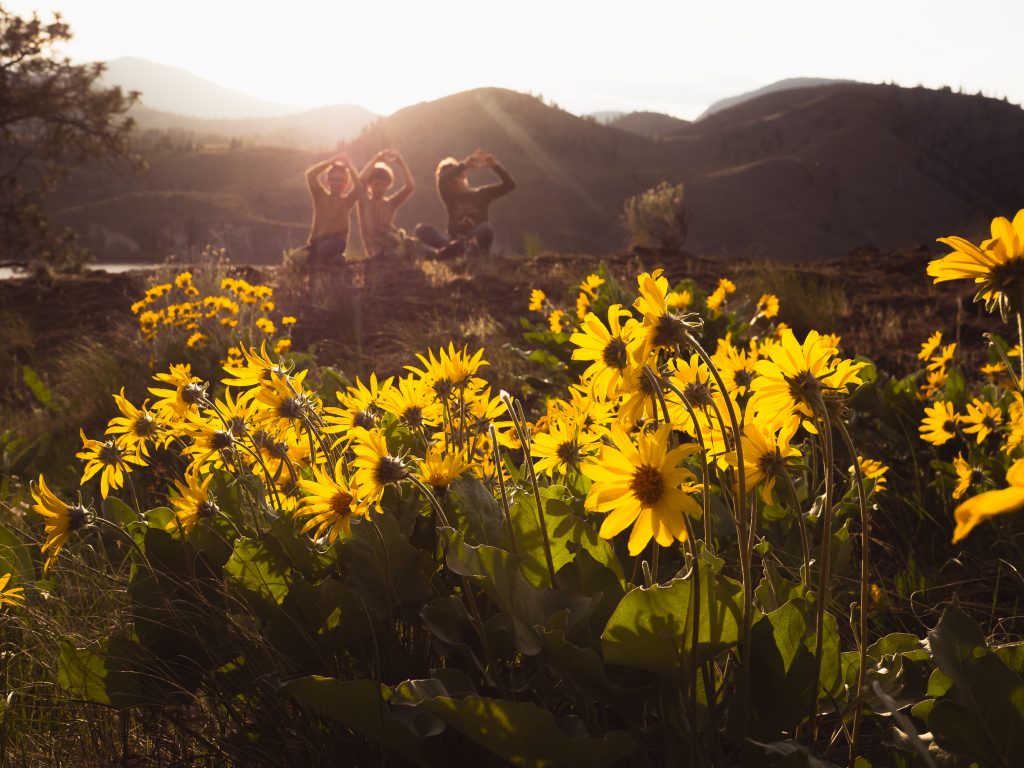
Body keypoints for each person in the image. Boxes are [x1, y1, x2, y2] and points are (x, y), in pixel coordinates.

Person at [414, 149, 516, 257]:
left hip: (471, 239)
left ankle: (450, 251)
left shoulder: (482, 194)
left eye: (454, 182)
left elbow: (510, 185)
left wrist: (495, 166)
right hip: (451, 240)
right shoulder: (450, 198)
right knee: (421, 229)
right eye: (448, 185)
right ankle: (448, 251)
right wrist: (464, 165)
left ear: (463, 176)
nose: (451, 187)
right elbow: (442, 181)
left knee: (486, 228)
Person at [304, 154, 361, 267]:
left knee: (322, 251)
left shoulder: (347, 201)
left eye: (341, 180)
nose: (337, 183)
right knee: (299, 257)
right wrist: (329, 162)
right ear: (328, 181)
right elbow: (310, 175)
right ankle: (335, 260)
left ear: (346, 184)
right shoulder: (320, 195)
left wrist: (350, 167)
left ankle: (328, 262)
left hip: (337, 241)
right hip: (317, 241)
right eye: (334, 179)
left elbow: (359, 187)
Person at [357, 149, 415, 259]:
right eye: (376, 184)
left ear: (388, 186)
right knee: (392, 253)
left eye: (383, 185)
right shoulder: (365, 202)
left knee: (407, 244)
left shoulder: (390, 203)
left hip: (391, 241)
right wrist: (376, 159)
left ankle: (406, 248)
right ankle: (403, 253)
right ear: (370, 184)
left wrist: (401, 163)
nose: (380, 188)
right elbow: (361, 181)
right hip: (376, 249)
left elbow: (410, 187)